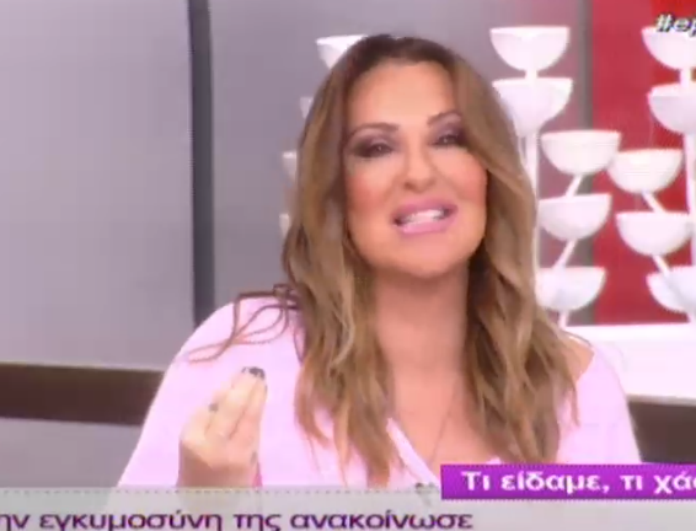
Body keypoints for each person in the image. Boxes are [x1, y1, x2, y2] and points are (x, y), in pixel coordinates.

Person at [118, 34, 641, 488]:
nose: (419, 173)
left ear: (489, 171)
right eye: (376, 148)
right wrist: (204, 507)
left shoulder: (577, 390)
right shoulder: (245, 356)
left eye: (449, 139)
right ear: (336, 190)